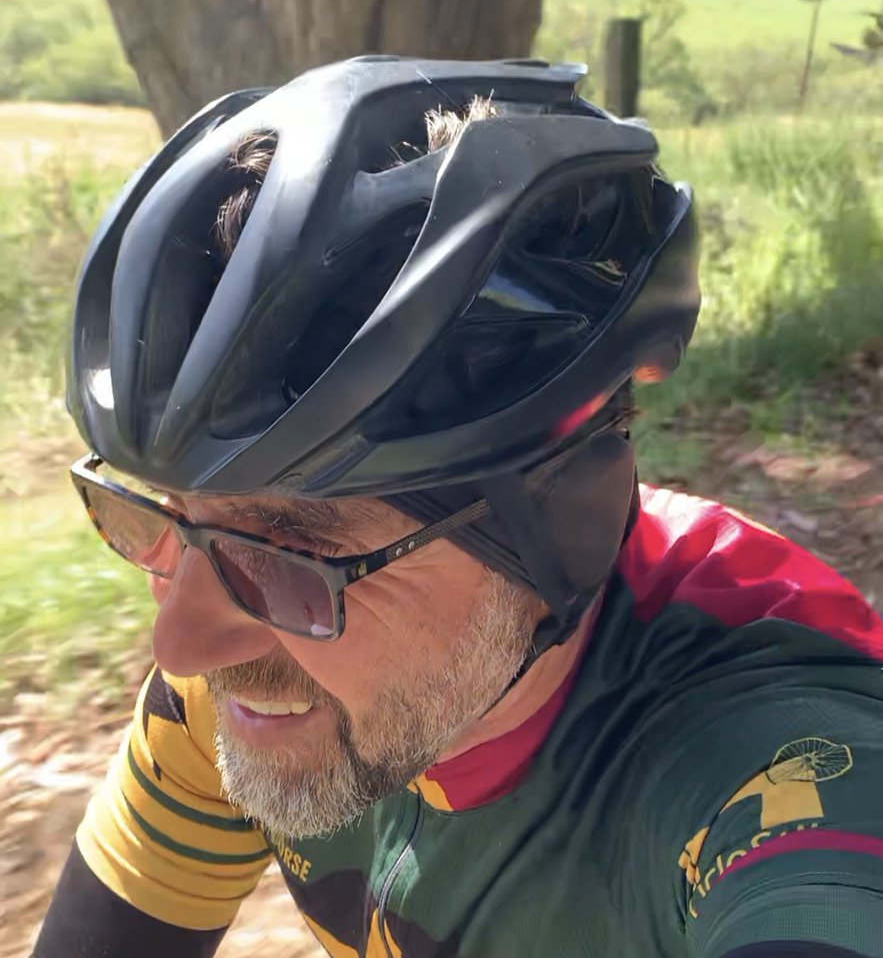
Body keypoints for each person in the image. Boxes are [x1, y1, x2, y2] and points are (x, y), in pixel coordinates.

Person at [33, 57, 883, 958]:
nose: (180, 647)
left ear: (548, 528)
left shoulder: (776, 763)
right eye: (165, 522)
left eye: (287, 562)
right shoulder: (253, 681)